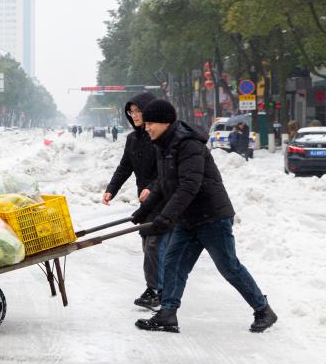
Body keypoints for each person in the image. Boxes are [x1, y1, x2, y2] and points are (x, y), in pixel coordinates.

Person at [131, 99, 277, 334]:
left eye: (151, 123)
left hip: (212, 217)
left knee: (229, 267)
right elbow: (162, 182)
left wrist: (165, 217)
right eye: (145, 123)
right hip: (188, 218)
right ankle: (167, 314)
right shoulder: (163, 144)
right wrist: (144, 210)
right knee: (173, 263)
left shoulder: (188, 145)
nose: (146, 127)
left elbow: (190, 185)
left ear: (166, 122)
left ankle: (263, 309)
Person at [102, 93, 165, 310]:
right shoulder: (132, 139)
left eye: (139, 111)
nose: (135, 115)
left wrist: (152, 187)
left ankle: (156, 290)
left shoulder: (158, 137)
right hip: (146, 200)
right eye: (132, 112)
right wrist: (112, 189)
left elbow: (167, 170)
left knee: (154, 244)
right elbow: (124, 167)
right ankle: (157, 289)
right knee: (148, 243)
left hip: (164, 197)